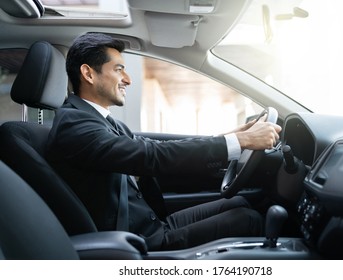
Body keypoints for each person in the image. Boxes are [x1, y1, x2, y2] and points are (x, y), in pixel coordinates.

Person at [46, 32, 282, 251]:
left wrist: (230, 136)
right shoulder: (74, 125)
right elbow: (149, 156)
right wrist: (237, 142)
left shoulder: (97, 119)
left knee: (239, 202)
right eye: (119, 70)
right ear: (88, 74)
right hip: (135, 241)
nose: (128, 79)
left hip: (152, 224)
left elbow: (154, 147)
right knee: (247, 219)